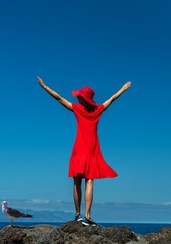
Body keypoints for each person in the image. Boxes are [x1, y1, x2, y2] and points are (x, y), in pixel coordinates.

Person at [37, 76, 131, 226]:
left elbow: (59, 99)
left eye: (79, 96)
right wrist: (122, 89)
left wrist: (45, 87)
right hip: (92, 148)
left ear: (83, 99)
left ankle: (77, 215)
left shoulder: (78, 109)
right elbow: (112, 99)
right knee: (90, 180)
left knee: (76, 181)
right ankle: (88, 214)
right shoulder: (98, 109)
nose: (78, 98)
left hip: (79, 148)